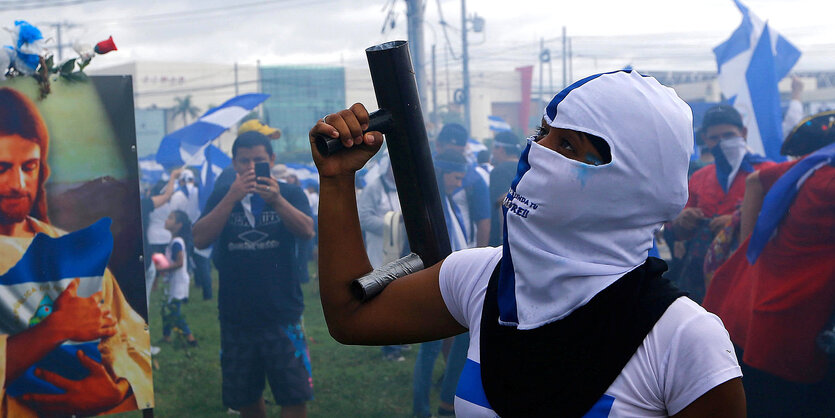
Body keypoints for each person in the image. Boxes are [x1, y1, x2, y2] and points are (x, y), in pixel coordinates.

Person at [310, 70, 745, 417]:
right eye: (543, 133)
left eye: (569, 145)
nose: (537, 152)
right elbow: (352, 318)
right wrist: (336, 178)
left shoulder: (685, 339)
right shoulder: (481, 278)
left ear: (633, 181)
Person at [0, 86, 152, 416]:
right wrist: (56, 328)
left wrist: (116, 391)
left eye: (28, 167)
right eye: (1, 168)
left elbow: (132, 342)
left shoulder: (72, 252)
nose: (18, 185)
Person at [703, 110, 835, 417]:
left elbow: (754, 181)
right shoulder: (825, 181)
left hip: (744, 311)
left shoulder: (808, 172)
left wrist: (750, 255)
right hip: (788, 330)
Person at [193, 131, 315, 418]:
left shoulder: (290, 193)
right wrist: (231, 197)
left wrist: (277, 202)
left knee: (294, 395)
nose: (250, 167)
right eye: (244, 161)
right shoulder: (223, 194)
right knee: (245, 398)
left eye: (258, 160)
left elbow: (307, 230)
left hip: (282, 313)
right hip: (237, 316)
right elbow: (199, 239)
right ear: (234, 164)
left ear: (271, 160)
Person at [669, 104, 775, 302]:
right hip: (700, 279)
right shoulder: (699, 177)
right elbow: (679, 232)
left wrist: (738, 221)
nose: (722, 143)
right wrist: (684, 219)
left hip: (751, 272)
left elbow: (782, 221)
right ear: (705, 140)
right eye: (714, 138)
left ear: (743, 133)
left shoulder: (768, 173)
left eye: (728, 135)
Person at [411, 150, 472, 417]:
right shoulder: (429, 208)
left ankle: (443, 404)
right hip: (435, 288)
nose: (459, 183)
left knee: (452, 348)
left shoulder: (448, 202)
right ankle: (421, 410)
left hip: (453, 288)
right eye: (456, 178)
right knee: (428, 353)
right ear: (443, 174)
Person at [435, 124, 491, 248]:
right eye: (452, 151)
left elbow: (483, 222)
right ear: (438, 146)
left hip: (463, 248)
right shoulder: (426, 174)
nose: (457, 157)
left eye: (461, 152)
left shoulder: (474, 179)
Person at [156, 210, 198, 347]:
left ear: (178, 225)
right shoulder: (173, 241)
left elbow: (179, 263)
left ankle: (190, 338)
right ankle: (166, 336)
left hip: (179, 282)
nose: (167, 220)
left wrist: (161, 269)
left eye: (171, 218)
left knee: (174, 312)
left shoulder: (177, 243)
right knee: (167, 309)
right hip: (174, 282)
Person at [488, 131, 523, 246]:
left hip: (507, 240)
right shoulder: (526, 168)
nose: (493, 152)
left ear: (501, 149)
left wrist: (503, 240)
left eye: (494, 148)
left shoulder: (499, 171)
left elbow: (503, 204)